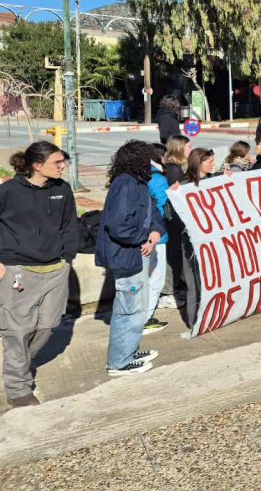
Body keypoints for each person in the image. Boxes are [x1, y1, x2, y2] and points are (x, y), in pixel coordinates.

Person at [0, 142, 76, 406]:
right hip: (19, 270)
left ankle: (19, 363)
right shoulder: (8, 191)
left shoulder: (62, 189)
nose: (63, 166)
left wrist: (67, 257)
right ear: (37, 165)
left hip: (56, 269)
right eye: (57, 162)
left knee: (47, 326)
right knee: (17, 331)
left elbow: (69, 225)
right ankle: (18, 388)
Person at [97, 141, 165, 376]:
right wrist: (143, 239)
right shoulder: (126, 184)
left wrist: (156, 232)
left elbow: (153, 212)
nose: (152, 163)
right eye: (147, 158)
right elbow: (119, 227)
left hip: (138, 253)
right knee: (128, 310)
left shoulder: (139, 183)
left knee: (136, 308)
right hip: (128, 256)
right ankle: (119, 362)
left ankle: (129, 351)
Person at [158, 136, 191, 312]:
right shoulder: (173, 170)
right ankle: (168, 292)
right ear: (179, 148)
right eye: (188, 146)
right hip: (173, 220)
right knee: (174, 256)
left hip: (177, 219)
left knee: (178, 255)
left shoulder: (176, 168)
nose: (190, 149)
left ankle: (174, 289)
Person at [143, 144, 170, 335]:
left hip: (143, 235)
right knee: (155, 279)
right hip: (157, 237)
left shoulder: (141, 176)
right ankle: (146, 318)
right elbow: (162, 207)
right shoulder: (158, 179)